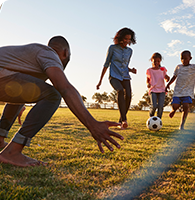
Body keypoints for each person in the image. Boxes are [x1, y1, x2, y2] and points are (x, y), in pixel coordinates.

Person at [0, 36, 124, 167]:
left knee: (30, 89)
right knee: (53, 95)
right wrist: (92, 124)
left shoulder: (33, 57)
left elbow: (17, 88)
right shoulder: (49, 53)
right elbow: (65, 88)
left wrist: (19, 102)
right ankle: (12, 152)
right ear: (65, 53)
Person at [96, 27, 137, 130]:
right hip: (114, 76)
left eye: (129, 39)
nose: (127, 41)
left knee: (128, 95)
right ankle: (124, 120)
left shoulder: (130, 51)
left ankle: (121, 121)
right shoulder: (112, 48)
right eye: (126, 39)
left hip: (126, 76)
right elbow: (106, 64)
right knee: (120, 91)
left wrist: (131, 70)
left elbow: (124, 65)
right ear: (121, 38)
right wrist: (100, 81)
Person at [165, 46, 195, 130]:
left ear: (190, 58)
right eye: (182, 58)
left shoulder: (194, 67)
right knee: (175, 106)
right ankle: (173, 110)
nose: (183, 60)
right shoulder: (178, 67)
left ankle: (182, 125)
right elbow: (174, 76)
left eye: (185, 58)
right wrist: (168, 84)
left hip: (188, 92)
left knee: (186, 107)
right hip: (177, 91)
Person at [146, 52, 170, 119]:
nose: (156, 62)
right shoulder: (149, 70)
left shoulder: (162, 69)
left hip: (162, 90)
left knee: (160, 106)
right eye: (155, 61)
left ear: (160, 61)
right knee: (154, 105)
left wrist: (167, 78)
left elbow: (165, 78)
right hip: (153, 89)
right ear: (151, 60)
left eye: (158, 61)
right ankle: (151, 117)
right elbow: (148, 79)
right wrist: (148, 84)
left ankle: (158, 120)